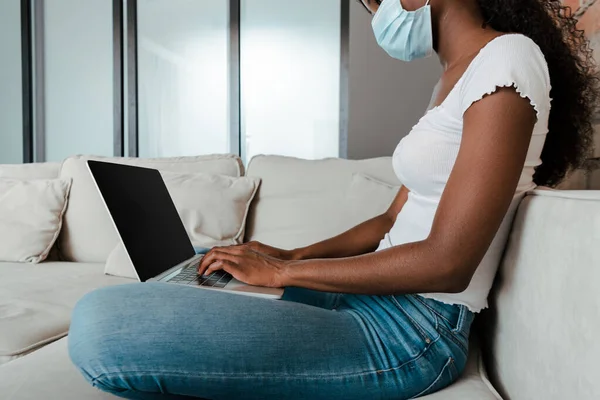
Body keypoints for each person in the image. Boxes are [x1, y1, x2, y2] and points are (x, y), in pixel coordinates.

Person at [68, 0, 598, 399]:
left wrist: (283, 277)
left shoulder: (507, 57)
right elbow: (392, 218)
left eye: (376, 1)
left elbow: (447, 264)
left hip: (413, 332)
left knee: (100, 324)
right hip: (377, 300)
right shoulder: (452, 81)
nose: (377, 15)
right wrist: (289, 256)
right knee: (192, 287)